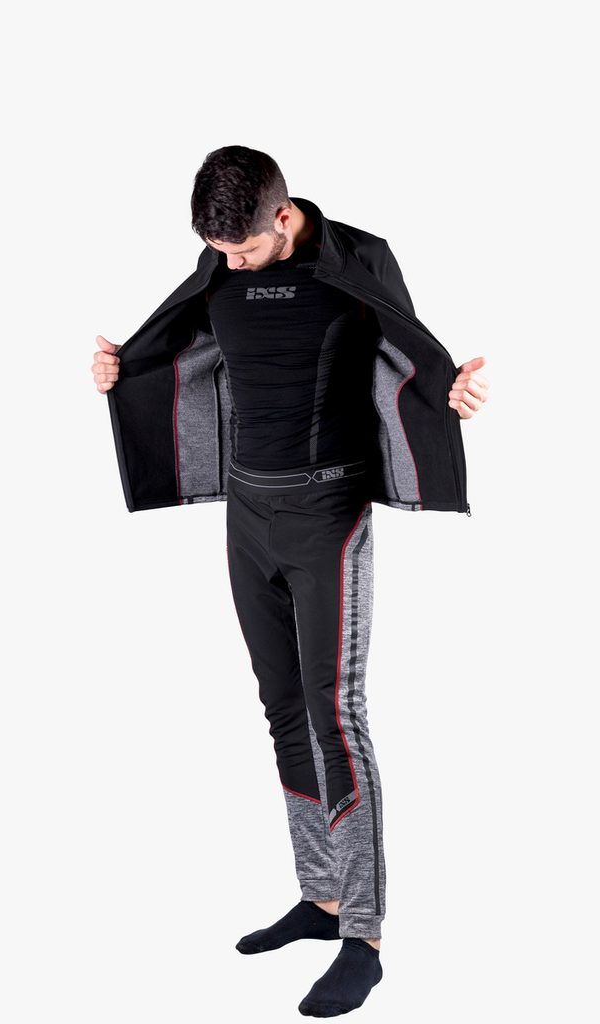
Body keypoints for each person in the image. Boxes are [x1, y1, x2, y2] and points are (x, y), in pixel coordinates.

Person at [91, 146, 489, 1017]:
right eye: (217, 253)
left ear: (282, 217)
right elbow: (181, 345)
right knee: (280, 706)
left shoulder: (358, 260)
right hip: (247, 514)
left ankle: (365, 939)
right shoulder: (221, 263)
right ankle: (322, 896)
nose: (230, 265)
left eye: (241, 250)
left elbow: (411, 356)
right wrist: (118, 372)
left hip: (327, 513)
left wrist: (452, 395)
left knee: (333, 713)